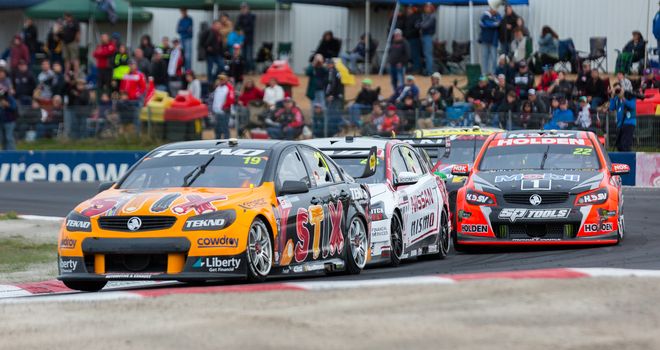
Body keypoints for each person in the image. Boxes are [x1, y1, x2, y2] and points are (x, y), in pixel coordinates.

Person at [119, 60, 147, 136]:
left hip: (135, 100)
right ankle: (125, 133)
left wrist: (136, 95)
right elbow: (122, 87)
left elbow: (143, 88)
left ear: (136, 65)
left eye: (133, 64)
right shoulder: (125, 75)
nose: (131, 66)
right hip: (126, 100)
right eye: (130, 64)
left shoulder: (139, 75)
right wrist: (122, 95)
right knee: (124, 116)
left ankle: (137, 134)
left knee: (136, 117)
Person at [609, 83, 636, 152]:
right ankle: (621, 160)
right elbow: (611, 108)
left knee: (625, 144)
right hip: (620, 124)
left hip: (629, 123)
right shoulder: (616, 98)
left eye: (619, 89)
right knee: (619, 145)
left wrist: (623, 98)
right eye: (616, 90)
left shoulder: (630, 96)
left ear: (622, 88)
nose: (618, 91)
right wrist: (612, 97)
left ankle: (628, 160)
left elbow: (632, 106)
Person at [479, 6, 502, 75]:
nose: (494, 10)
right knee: (484, 58)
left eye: (496, 8)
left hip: (493, 41)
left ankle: (493, 74)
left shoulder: (498, 16)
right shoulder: (484, 15)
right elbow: (482, 24)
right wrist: (492, 24)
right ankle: (484, 73)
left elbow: (498, 24)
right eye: (493, 8)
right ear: (490, 8)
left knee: (494, 58)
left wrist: (489, 24)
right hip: (485, 40)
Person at [212, 74, 234, 139]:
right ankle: (217, 142)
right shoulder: (218, 88)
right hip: (217, 111)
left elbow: (231, 99)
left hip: (224, 111)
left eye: (222, 79)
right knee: (217, 129)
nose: (221, 81)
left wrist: (225, 107)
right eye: (220, 79)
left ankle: (227, 142)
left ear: (226, 80)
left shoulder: (229, 87)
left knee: (225, 128)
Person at [237, 2, 256, 72]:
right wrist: (240, 31)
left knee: (249, 56)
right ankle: (244, 70)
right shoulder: (240, 17)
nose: (243, 10)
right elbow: (237, 26)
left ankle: (251, 69)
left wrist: (243, 31)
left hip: (249, 39)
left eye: (244, 8)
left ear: (248, 8)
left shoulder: (251, 16)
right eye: (242, 8)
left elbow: (251, 27)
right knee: (243, 56)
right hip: (242, 40)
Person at [324, 59, 344, 126]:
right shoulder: (327, 72)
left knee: (334, 111)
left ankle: (338, 125)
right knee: (329, 111)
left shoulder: (336, 72)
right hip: (329, 95)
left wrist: (332, 95)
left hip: (335, 96)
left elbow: (337, 85)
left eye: (329, 64)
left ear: (332, 64)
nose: (327, 65)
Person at [402, 5, 422, 74]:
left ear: (413, 9)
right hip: (407, 39)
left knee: (415, 55)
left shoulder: (417, 17)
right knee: (408, 55)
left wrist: (408, 34)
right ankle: (410, 70)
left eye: (409, 9)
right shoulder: (407, 17)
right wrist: (404, 35)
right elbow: (405, 27)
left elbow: (417, 28)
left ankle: (416, 70)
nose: (408, 10)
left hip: (414, 38)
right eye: (407, 9)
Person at [61, 13, 80, 77]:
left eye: (66, 17)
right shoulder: (65, 23)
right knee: (66, 59)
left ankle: (76, 73)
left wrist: (77, 39)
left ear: (70, 17)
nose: (65, 19)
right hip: (65, 43)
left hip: (72, 42)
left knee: (74, 59)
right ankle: (66, 73)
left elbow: (78, 31)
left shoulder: (74, 22)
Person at [419, 3, 436, 76]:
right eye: (426, 7)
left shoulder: (432, 17)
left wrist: (420, 24)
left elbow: (425, 26)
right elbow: (417, 24)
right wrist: (421, 24)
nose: (426, 8)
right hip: (423, 36)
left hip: (428, 36)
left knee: (428, 54)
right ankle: (427, 70)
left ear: (431, 8)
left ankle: (430, 71)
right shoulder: (424, 16)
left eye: (428, 7)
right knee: (425, 54)